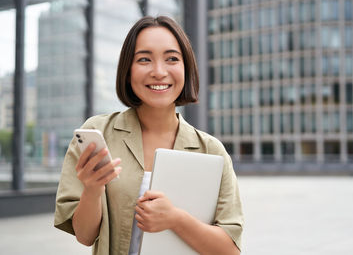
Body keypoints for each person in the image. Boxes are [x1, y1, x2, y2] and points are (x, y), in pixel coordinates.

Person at [54, 15, 243, 255]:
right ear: (128, 70)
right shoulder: (98, 134)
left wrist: (175, 219)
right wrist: (92, 190)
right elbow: (85, 235)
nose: (159, 71)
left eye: (172, 59)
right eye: (144, 59)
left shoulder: (212, 151)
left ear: (186, 67)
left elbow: (230, 250)